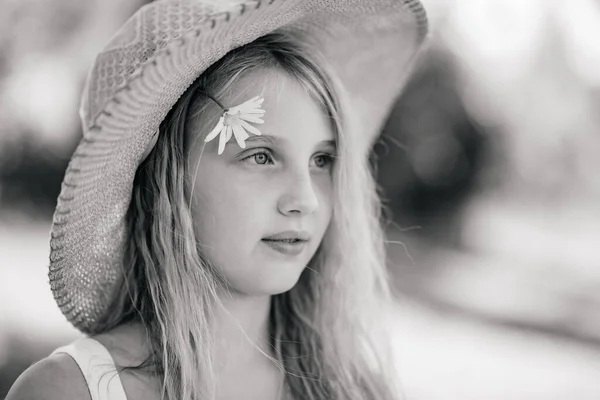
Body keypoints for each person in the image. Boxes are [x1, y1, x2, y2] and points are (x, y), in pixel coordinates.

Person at [7, 0, 428, 399]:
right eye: (261, 156)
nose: (305, 199)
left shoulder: (354, 390)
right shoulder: (69, 391)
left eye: (322, 160)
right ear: (166, 180)